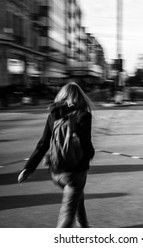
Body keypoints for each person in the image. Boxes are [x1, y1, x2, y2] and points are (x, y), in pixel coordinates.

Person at [17, 82, 95, 228]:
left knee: (77, 197)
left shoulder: (53, 116)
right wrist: (89, 155)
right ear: (80, 97)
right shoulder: (83, 116)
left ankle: (85, 228)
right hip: (74, 172)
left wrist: (28, 169)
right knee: (67, 215)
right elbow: (87, 146)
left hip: (55, 171)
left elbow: (43, 144)